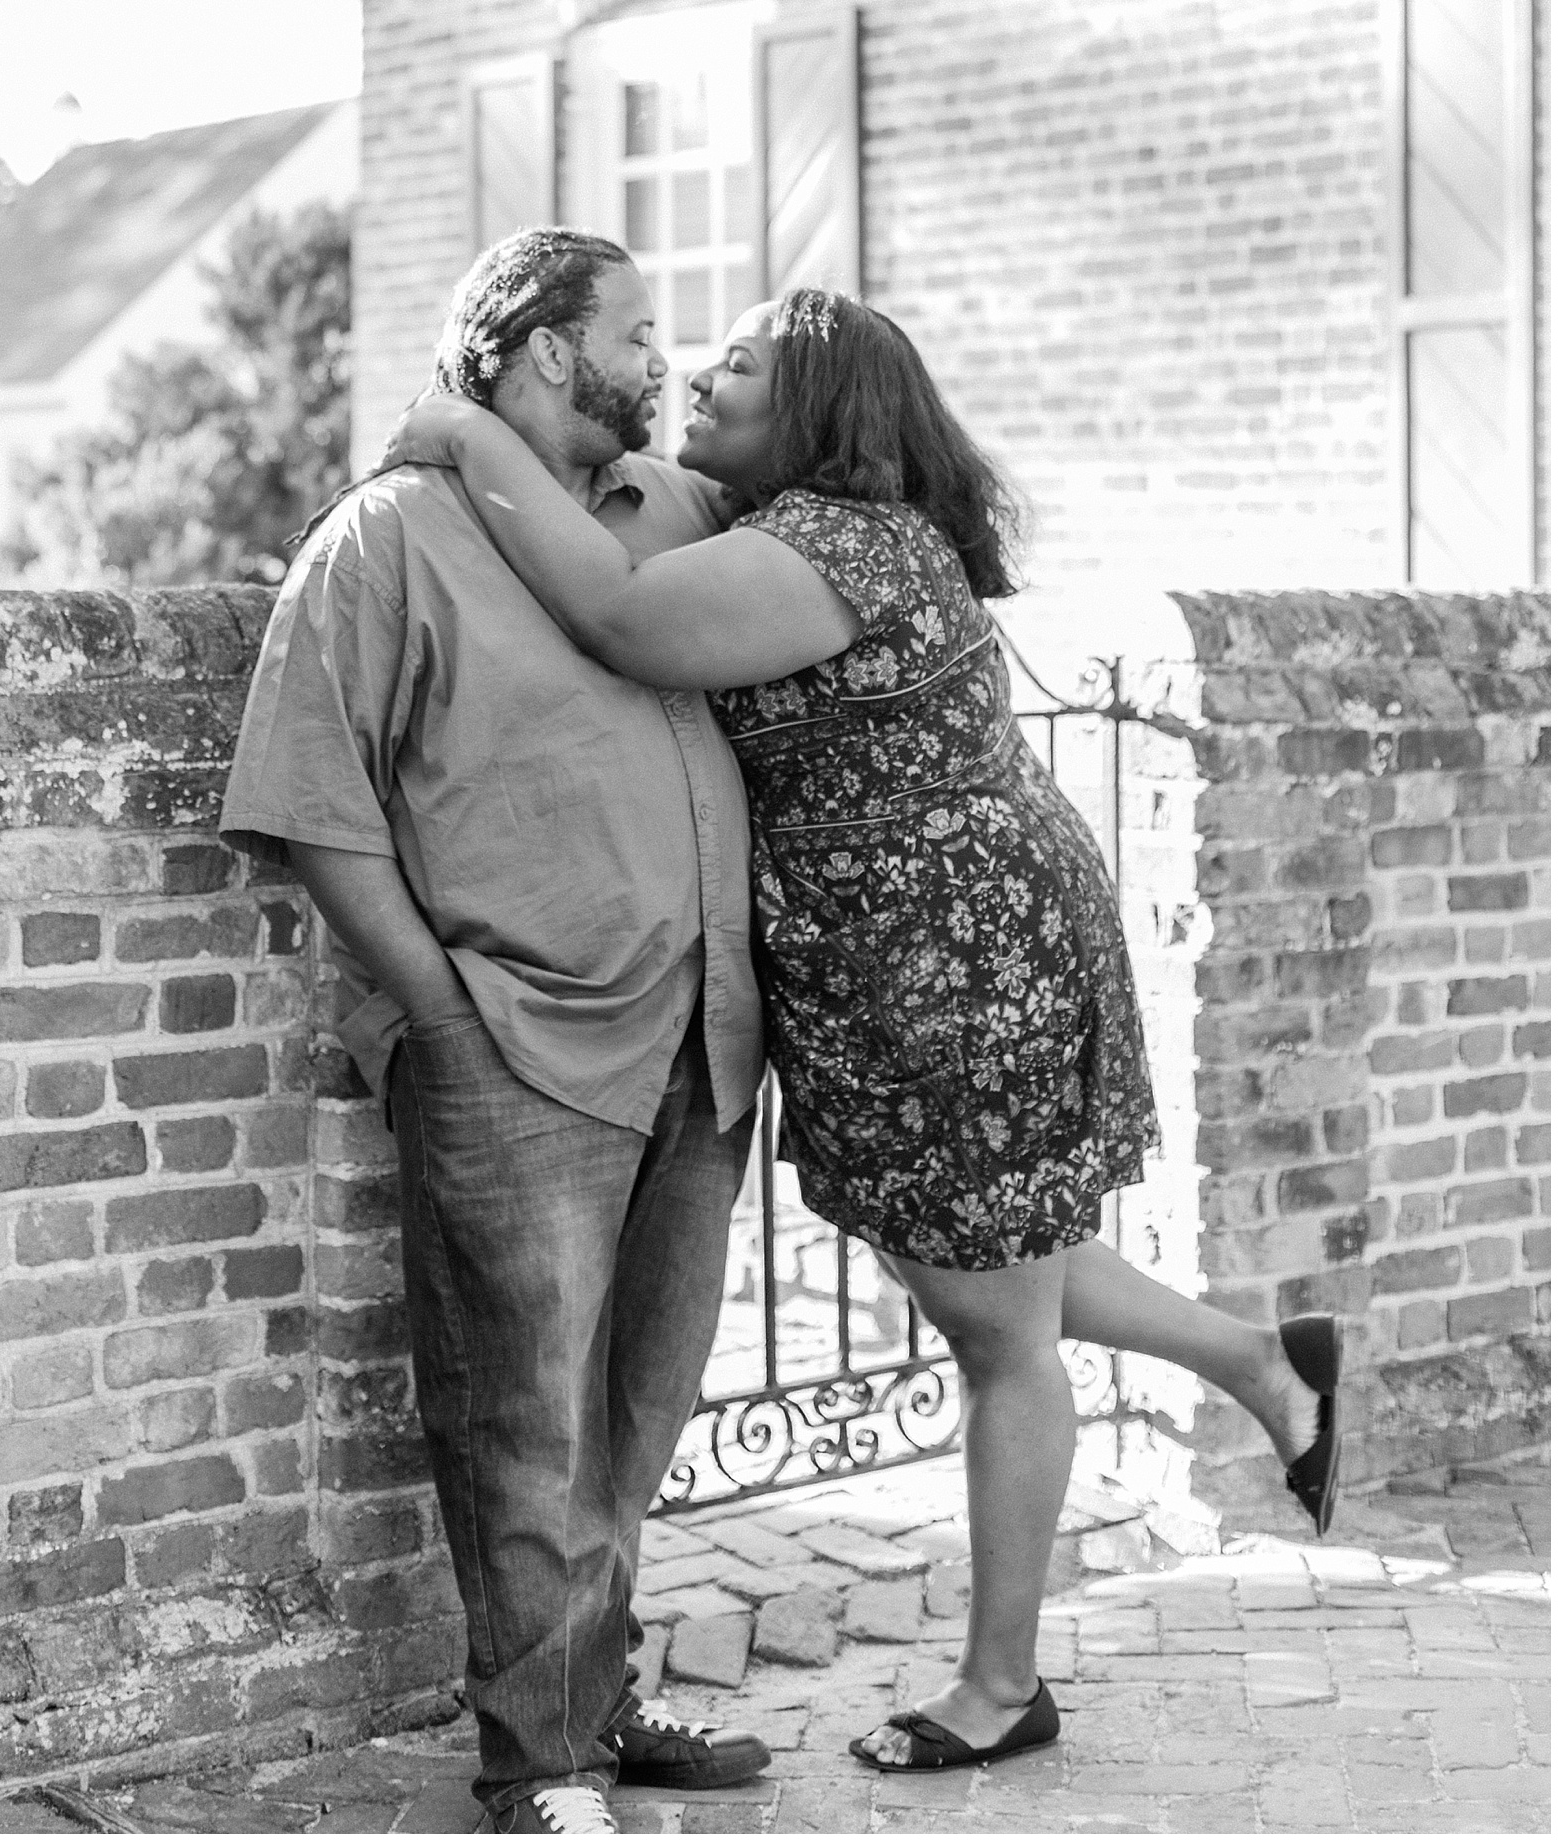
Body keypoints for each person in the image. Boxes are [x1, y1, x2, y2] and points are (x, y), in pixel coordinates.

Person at [381, 283, 1348, 1777]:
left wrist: (455, 428)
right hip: (890, 963)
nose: (699, 372)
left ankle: (1001, 1682)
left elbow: (621, 613)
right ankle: (1264, 1364)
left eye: (741, 366)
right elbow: (622, 523)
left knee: (995, 1324)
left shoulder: (842, 545)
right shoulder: (768, 520)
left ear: (818, 410)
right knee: (993, 1259)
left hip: (957, 958)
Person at [219, 229, 776, 1836]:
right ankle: (541, 1761)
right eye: (637, 331)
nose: (662, 361)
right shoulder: (386, 536)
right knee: (523, 1410)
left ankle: (600, 1697)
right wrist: (446, 1008)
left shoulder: (666, 517)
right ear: (543, 349)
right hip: (517, 1040)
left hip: (705, 1040)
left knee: (639, 1402)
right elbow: (314, 805)